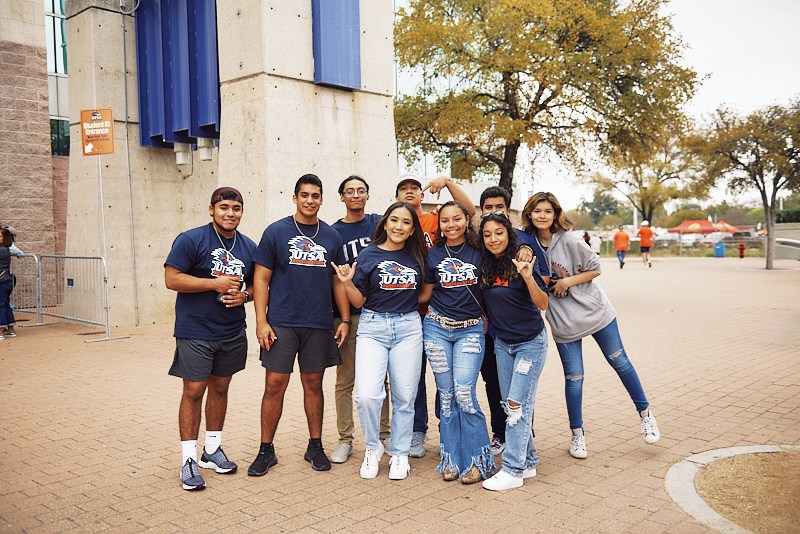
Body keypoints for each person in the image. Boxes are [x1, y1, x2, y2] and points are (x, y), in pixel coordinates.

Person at [521, 192, 660, 461]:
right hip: (563, 321)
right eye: (537, 211)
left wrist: (566, 283)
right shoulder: (527, 244)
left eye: (547, 211)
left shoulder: (570, 239)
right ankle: (577, 435)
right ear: (529, 214)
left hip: (596, 312)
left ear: (555, 214)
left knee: (620, 362)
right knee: (574, 378)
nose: (541, 216)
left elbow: (596, 268)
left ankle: (645, 415)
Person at [249, 174, 351, 476]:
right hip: (281, 322)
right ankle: (266, 450)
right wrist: (260, 321)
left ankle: (315, 445)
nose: (310, 200)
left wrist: (344, 319)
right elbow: (261, 279)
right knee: (274, 385)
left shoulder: (332, 236)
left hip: (318, 323)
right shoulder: (276, 232)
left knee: (313, 385)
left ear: (322, 200)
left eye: (315, 195)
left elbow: (338, 281)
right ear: (295, 198)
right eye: (304, 195)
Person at [164, 187, 257, 491]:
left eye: (236, 208)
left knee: (220, 389)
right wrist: (213, 283)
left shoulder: (248, 246)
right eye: (224, 207)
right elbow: (172, 278)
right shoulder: (191, 239)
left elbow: (259, 285)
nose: (231, 213)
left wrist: (245, 295)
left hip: (231, 331)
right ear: (211, 209)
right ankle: (188, 459)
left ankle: (212, 451)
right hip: (196, 330)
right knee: (193, 391)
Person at [332, 201, 427, 480]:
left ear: (412, 229)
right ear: (385, 223)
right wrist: (348, 282)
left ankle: (399, 454)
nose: (399, 226)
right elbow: (359, 300)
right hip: (372, 326)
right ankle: (373, 448)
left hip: (409, 327)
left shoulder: (418, 256)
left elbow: (424, 293)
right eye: (394, 220)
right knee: (368, 396)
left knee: (405, 397)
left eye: (406, 222)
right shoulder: (368, 254)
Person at [395, 173, 476, 458]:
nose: (409, 192)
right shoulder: (395, 222)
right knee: (414, 377)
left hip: (441, 310)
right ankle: (418, 430)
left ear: (422, 195)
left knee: (448, 377)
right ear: (396, 198)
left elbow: (469, 210)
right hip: (409, 309)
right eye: (402, 189)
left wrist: (449, 182)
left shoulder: (434, 220)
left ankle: (448, 429)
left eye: (414, 188)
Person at [418, 201, 493, 484]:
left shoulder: (480, 250)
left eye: (457, 219)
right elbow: (425, 295)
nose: (451, 225)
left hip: (469, 331)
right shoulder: (433, 253)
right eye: (445, 220)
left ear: (466, 220)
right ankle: (451, 457)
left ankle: (477, 460)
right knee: (446, 398)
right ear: (439, 224)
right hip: (436, 328)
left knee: (465, 395)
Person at [477, 212, 549, 491]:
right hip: (503, 344)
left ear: (509, 234)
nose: (493, 239)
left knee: (518, 405)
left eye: (499, 232)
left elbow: (542, 304)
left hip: (530, 342)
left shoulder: (521, 260)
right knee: (510, 406)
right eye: (487, 234)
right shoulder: (484, 264)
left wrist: (528, 277)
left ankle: (513, 469)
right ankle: (528, 460)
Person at [329, 175, 392, 464]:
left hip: (380, 312)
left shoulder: (380, 224)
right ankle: (345, 439)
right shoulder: (334, 233)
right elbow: (337, 279)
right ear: (341, 197)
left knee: (382, 381)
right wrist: (343, 318)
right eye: (349, 191)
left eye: (361, 190)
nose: (356, 195)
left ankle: (384, 433)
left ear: (368, 195)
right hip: (351, 316)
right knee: (346, 380)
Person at [1, 228, 18, 341]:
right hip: (6, 280)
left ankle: (0, 331)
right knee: (5, 305)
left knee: (1, 306)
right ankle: (10, 329)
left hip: (2, 281)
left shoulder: (2, 250)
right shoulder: (5, 249)